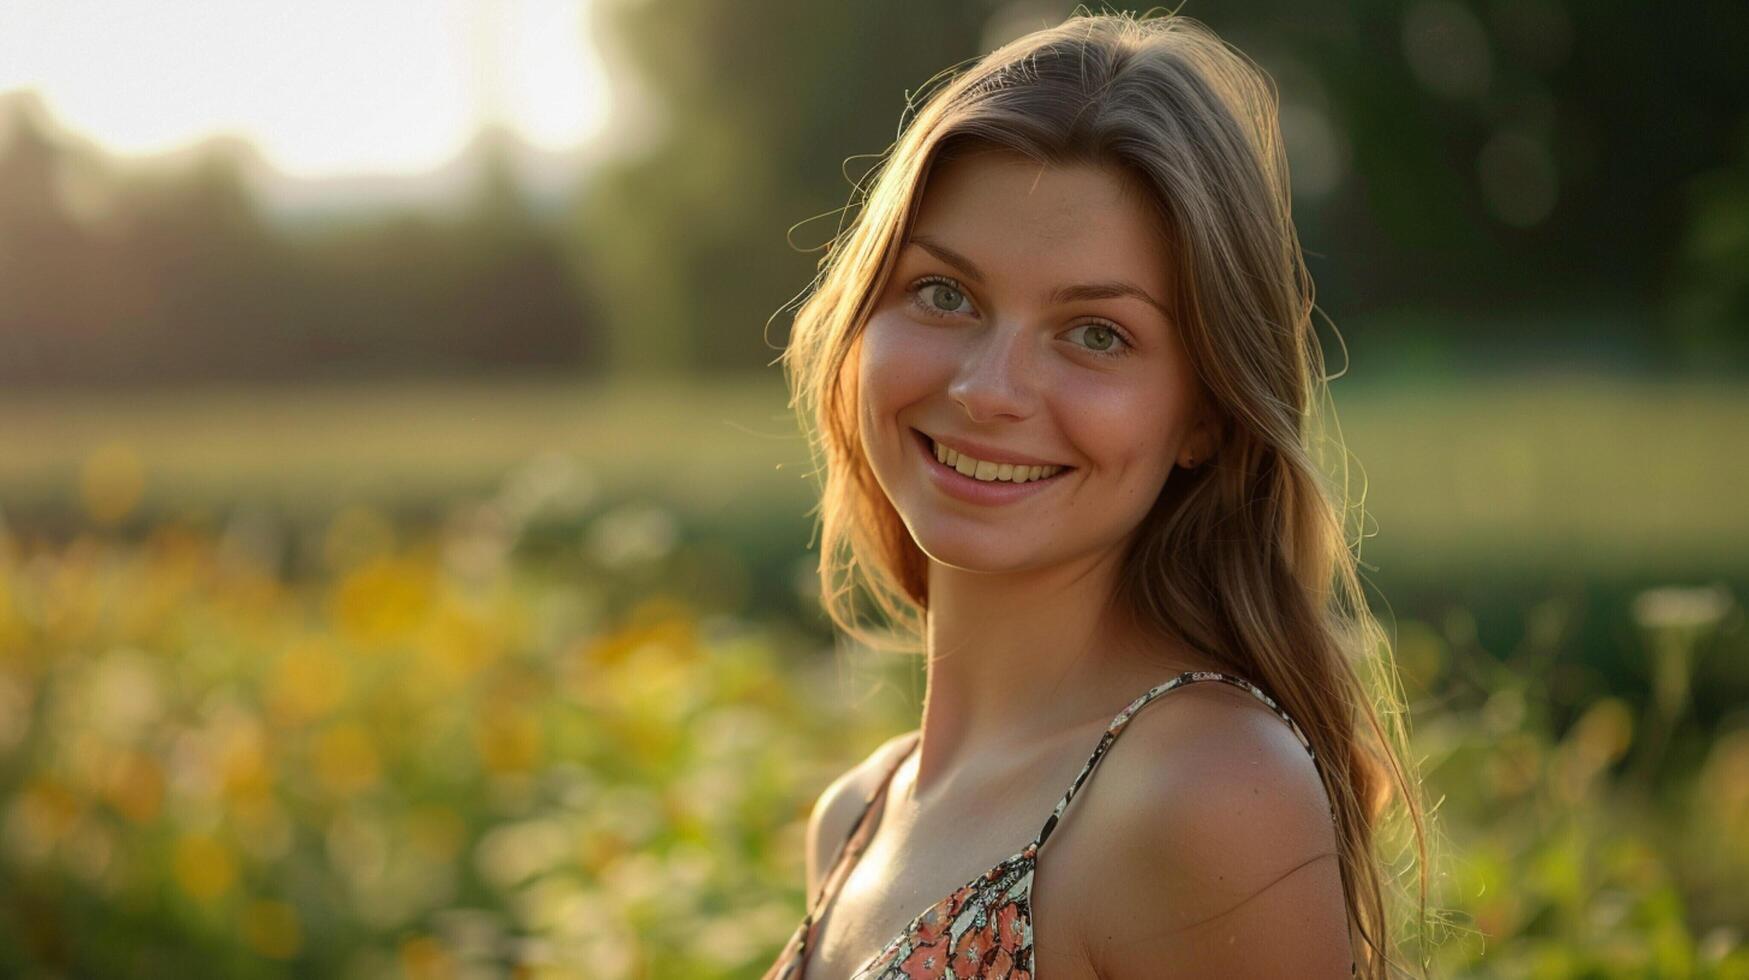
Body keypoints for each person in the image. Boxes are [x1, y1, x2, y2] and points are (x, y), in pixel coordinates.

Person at [767, 11, 1436, 979]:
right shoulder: (857, 813)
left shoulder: (1207, 790)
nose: (988, 389)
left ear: (1205, 412)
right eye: (945, 294)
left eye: (1096, 333)